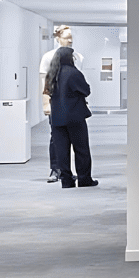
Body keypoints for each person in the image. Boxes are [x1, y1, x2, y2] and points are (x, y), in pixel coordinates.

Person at [47, 46, 96, 189]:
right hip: (75, 117)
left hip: (57, 118)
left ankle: (66, 181)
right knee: (81, 150)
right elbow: (86, 90)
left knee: (62, 151)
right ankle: (84, 179)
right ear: (69, 58)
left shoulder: (52, 74)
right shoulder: (73, 73)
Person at [40, 25, 74, 183]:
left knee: (74, 138)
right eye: (67, 37)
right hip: (56, 103)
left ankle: (68, 170)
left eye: (71, 37)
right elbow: (44, 82)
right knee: (56, 137)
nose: (70, 40)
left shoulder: (77, 57)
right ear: (58, 38)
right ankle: (56, 168)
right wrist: (46, 104)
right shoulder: (48, 57)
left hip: (72, 104)